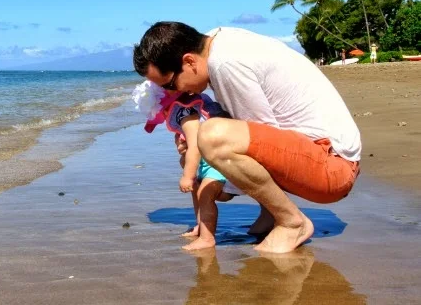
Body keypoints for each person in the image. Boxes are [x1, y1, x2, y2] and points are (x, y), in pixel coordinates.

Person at [133, 23, 361, 253]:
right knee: (217, 136)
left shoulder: (224, 64)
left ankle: (292, 222)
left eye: (170, 84)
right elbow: (259, 136)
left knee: (211, 136)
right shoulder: (218, 42)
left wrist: (222, 188)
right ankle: (272, 213)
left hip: (333, 167)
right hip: (323, 153)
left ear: (189, 61)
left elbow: (258, 136)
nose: (173, 93)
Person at [132, 81, 240, 251]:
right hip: (207, 160)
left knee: (205, 195)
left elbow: (195, 144)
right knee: (197, 192)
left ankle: (207, 238)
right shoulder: (182, 108)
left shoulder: (185, 110)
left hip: (217, 159)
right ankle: (201, 226)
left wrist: (187, 176)